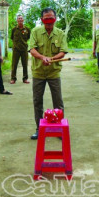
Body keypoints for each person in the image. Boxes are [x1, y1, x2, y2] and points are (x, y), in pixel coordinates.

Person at [29, 8, 68, 140]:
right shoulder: (35, 32)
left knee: (58, 102)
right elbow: (32, 49)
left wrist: (51, 59)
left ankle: (59, 129)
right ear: (42, 20)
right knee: (37, 101)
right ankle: (39, 129)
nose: (49, 22)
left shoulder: (60, 33)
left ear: (55, 19)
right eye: (46, 19)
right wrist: (42, 57)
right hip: (38, 71)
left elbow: (63, 51)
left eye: (51, 19)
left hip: (54, 72)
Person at [10, 14, 31, 84]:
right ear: (17, 20)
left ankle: (25, 78)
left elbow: (28, 37)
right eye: (19, 18)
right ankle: (13, 78)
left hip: (24, 49)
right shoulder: (14, 29)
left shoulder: (27, 29)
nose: (20, 20)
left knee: (25, 64)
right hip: (16, 49)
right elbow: (12, 38)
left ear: (23, 20)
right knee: (14, 64)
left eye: (21, 18)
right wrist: (15, 45)